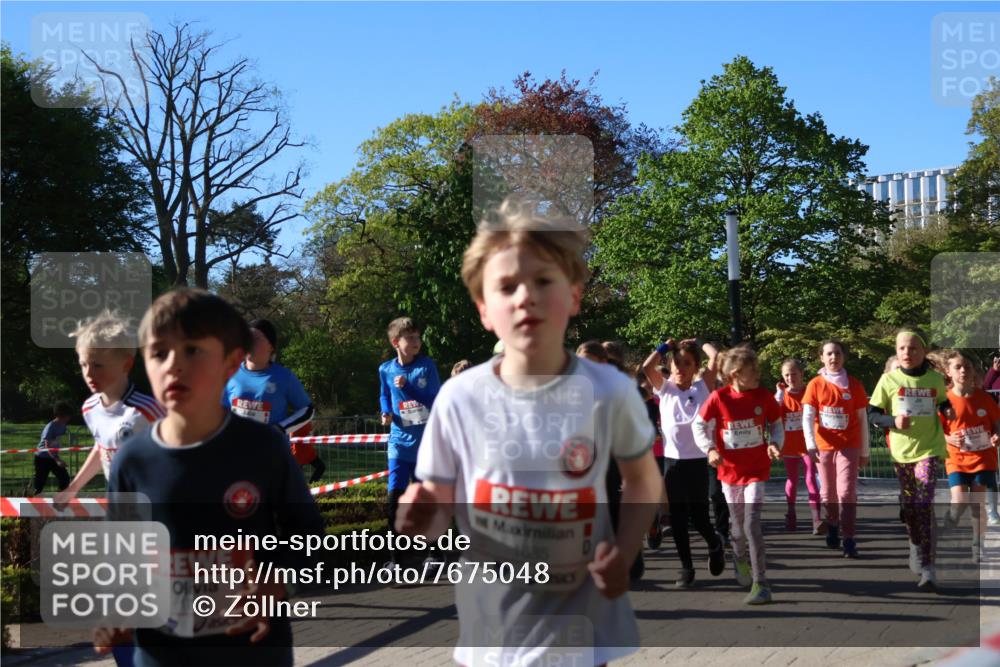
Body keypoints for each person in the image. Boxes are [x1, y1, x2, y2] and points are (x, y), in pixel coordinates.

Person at [395, 197, 662, 666]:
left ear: (574, 295)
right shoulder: (459, 398)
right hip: (493, 630)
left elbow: (643, 479)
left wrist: (623, 553)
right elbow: (438, 506)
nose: (525, 296)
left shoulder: (610, 390)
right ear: (484, 309)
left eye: (543, 280)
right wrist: (419, 520)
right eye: (506, 286)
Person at [97, 288, 323, 666]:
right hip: (162, 654)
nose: (174, 365)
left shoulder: (264, 448)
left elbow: (309, 536)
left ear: (231, 362)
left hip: (253, 651)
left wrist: (276, 581)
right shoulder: (131, 461)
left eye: (192, 350)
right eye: (159, 353)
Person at [693, 345, 783, 605]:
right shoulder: (719, 398)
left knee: (752, 524)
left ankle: (761, 582)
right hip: (730, 472)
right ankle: (739, 556)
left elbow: (776, 425)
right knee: (737, 527)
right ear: (735, 374)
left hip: (756, 469)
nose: (758, 375)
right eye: (752, 370)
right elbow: (698, 425)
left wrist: (775, 443)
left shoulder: (763, 396)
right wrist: (710, 449)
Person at [868, 328, 953, 590]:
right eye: (902, 348)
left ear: (924, 351)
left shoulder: (934, 379)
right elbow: (872, 414)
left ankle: (928, 567)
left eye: (913, 348)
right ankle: (915, 544)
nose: (907, 352)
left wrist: (947, 409)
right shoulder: (889, 380)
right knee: (911, 507)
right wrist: (893, 421)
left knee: (924, 501)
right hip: (901, 452)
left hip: (929, 448)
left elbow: (942, 401)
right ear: (896, 351)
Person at [57, 310, 165, 505]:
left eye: (98, 365)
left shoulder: (148, 411)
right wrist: (72, 489)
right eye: (83, 365)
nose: (89, 373)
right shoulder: (90, 408)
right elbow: (102, 448)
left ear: (126, 364)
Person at [642, 337, 725, 588]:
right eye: (676, 363)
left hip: (699, 461)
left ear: (696, 367)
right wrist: (664, 347)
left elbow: (717, 357)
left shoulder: (703, 386)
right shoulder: (664, 388)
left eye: (687, 363)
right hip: (673, 462)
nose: (680, 368)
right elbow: (647, 367)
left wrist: (700, 342)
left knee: (699, 518)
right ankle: (686, 567)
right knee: (677, 518)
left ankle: (715, 544)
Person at [222, 319, 322, 482]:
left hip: (271, 458)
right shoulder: (231, 373)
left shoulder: (284, 377)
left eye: (256, 338)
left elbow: (307, 410)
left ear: (271, 346)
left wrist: (281, 428)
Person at [378, 316, 441, 565]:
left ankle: (434, 554)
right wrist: (385, 411)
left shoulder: (426, 367)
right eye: (410, 338)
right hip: (399, 444)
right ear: (396, 342)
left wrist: (408, 388)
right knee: (394, 500)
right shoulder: (386, 369)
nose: (417, 342)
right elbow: (384, 394)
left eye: (418, 337)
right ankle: (396, 559)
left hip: (425, 446)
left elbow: (435, 400)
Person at [802, 341, 870, 558]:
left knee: (846, 492)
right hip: (824, 446)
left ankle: (849, 538)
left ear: (844, 357)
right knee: (828, 493)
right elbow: (807, 417)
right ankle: (833, 524)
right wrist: (810, 445)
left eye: (838, 353)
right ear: (822, 357)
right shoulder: (815, 384)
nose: (834, 357)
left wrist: (865, 451)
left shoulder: (855, 385)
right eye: (829, 354)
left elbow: (862, 419)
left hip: (849, 444)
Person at [940, 350, 1000, 562]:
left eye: (967, 367)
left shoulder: (985, 398)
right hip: (956, 458)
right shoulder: (944, 400)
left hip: (983, 458)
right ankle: (952, 516)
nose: (963, 370)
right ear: (948, 371)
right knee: (959, 500)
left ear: (974, 371)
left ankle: (978, 546)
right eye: (958, 367)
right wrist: (948, 439)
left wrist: (997, 435)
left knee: (977, 503)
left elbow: (997, 423)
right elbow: (935, 430)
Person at [775, 359, 823, 535]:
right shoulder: (782, 395)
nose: (790, 378)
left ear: (801, 374)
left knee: (811, 478)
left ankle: (816, 518)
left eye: (794, 374)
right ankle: (791, 513)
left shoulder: (809, 391)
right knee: (792, 479)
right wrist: (779, 395)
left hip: (808, 445)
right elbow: (773, 414)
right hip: (789, 445)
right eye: (786, 375)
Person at [32, 402, 73, 496]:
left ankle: (60, 499)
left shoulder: (63, 426)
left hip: (52, 457)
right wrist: (57, 460)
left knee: (64, 479)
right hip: (42, 458)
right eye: (68, 415)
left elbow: (56, 440)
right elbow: (47, 446)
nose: (69, 418)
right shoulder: (50, 427)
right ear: (62, 415)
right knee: (39, 484)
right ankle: (34, 500)